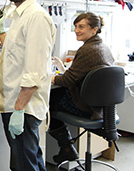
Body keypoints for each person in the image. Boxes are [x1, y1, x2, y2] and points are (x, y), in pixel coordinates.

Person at [0, 0, 56, 171]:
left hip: (23, 108)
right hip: (14, 103)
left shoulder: (36, 17)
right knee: (31, 161)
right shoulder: (20, 15)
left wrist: (18, 110)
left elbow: (35, 72)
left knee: (23, 166)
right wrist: (1, 30)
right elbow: (15, 51)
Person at [49, 12, 114, 164]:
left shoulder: (88, 50)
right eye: (76, 26)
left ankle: (66, 148)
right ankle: (66, 148)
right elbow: (78, 75)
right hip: (102, 107)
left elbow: (67, 80)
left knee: (49, 103)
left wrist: (48, 78)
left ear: (94, 29)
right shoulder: (103, 46)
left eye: (82, 27)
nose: (77, 30)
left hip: (88, 108)